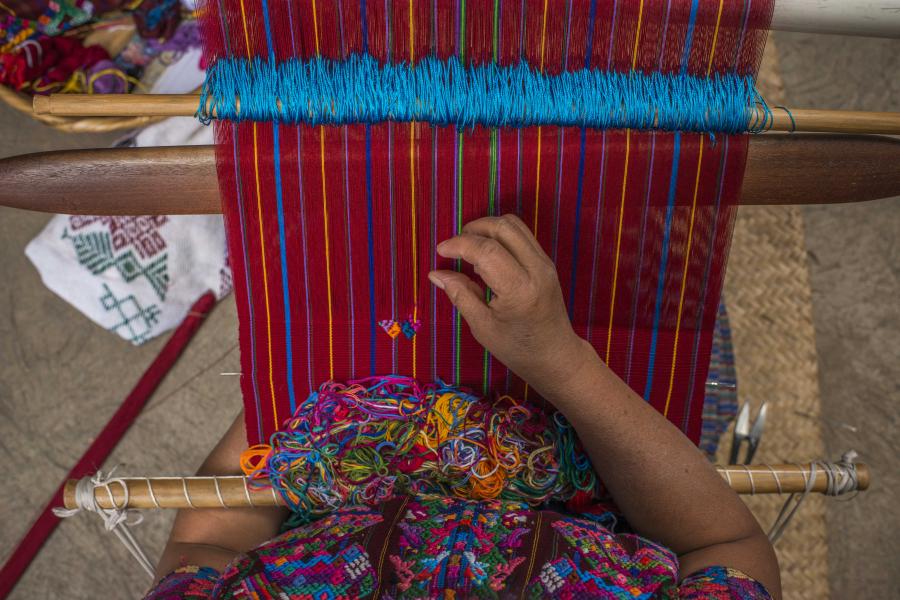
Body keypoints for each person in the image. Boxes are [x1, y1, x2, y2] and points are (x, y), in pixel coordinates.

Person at [146, 215, 781, 599]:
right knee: (626, 226)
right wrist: (563, 361)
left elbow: (211, 545)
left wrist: (315, 376)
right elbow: (723, 544)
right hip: (605, 429)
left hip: (337, 418)